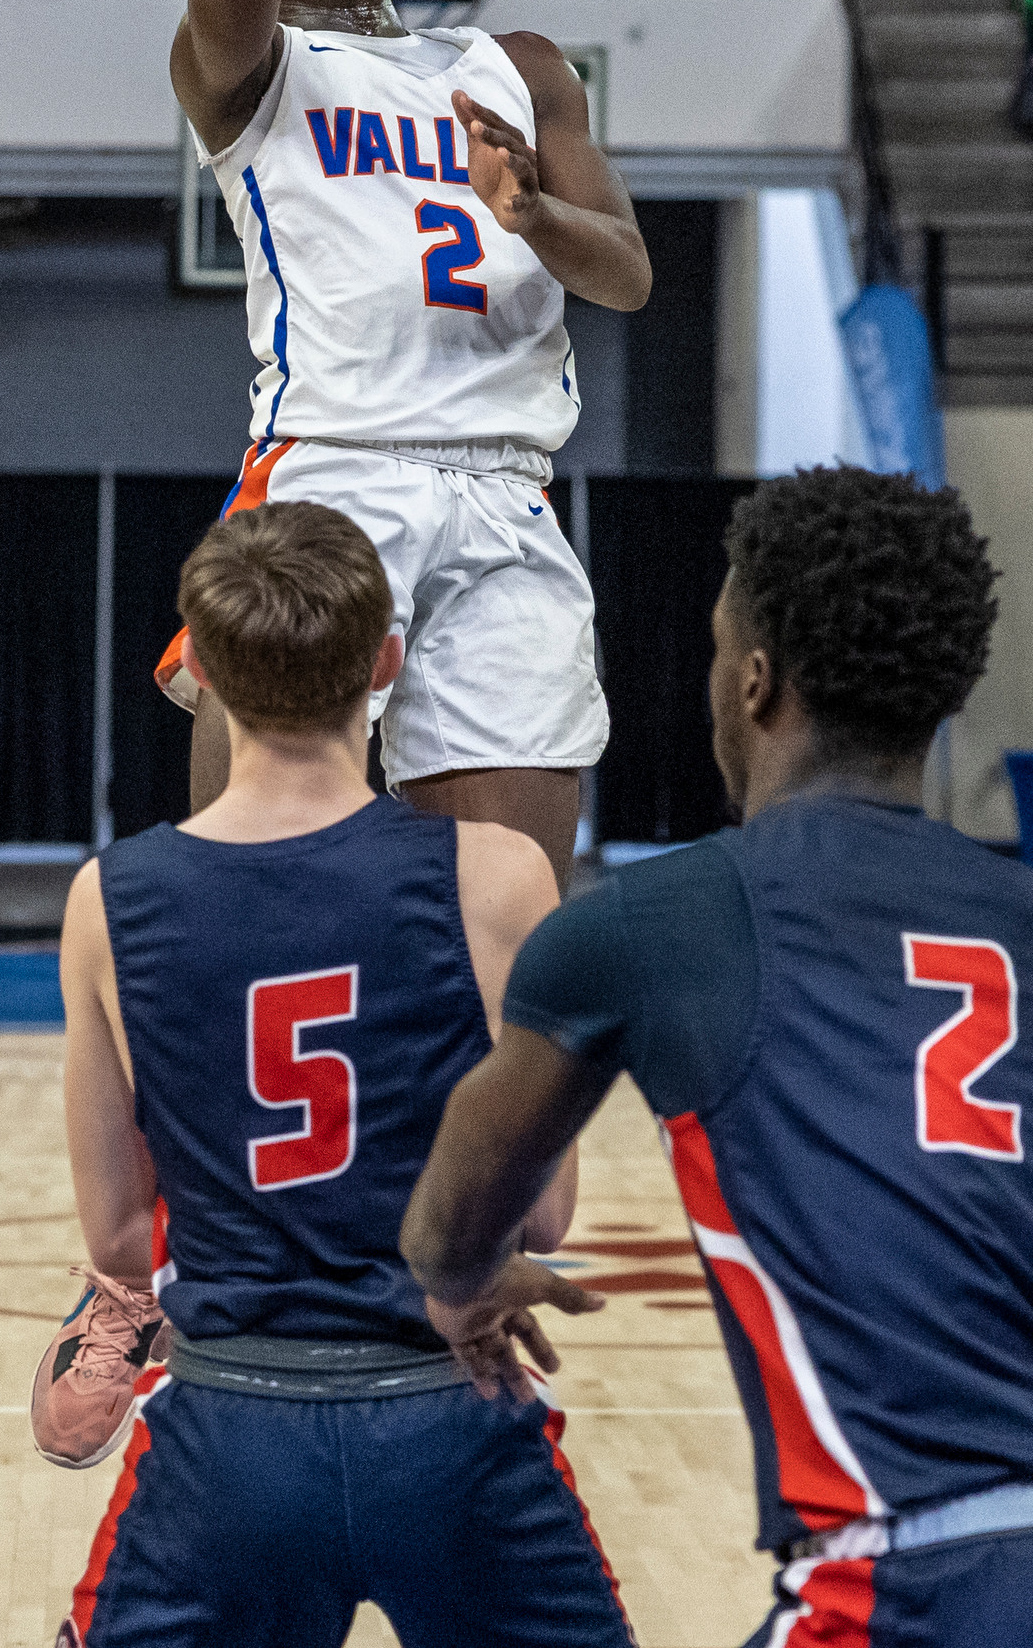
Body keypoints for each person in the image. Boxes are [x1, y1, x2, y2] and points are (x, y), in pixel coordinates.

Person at [35, 0, 652, 899]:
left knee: (510, 910)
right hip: (337, 463)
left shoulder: (522, 66)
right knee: (262, 882)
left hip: (506, 486)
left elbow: (628, 274)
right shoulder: (252, 70)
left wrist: (530, 210)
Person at [401, 466, 1033, 1648]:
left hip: (897, 1581)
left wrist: (464, 1280)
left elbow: (446, 1224)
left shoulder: (654, 923)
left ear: (753, 681)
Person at [41, 501, 634, 1646]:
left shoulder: (108, 898)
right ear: (388, 661)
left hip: (228, 1427)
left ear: (199, 669)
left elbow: (119, 1239)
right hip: (452, 1411)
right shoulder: (498, 873)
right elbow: (545, 1210)